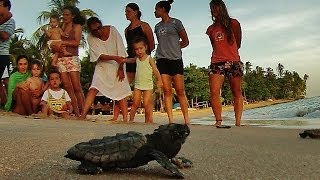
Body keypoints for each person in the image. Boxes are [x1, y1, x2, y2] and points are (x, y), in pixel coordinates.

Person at [79, 17, 131, 121]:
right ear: (90, 31)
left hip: (118, 65)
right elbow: (100, 56)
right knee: (94, 88)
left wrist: (121, 68)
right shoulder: (90, 38)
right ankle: (83, 115)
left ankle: (125, 118)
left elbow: (121, 50)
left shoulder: (113, 30)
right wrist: (115, 58)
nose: (98, 31)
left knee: (120, 91)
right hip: (102, 66)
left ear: (101, 25)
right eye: (94, 30)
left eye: (99, 28)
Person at [206, 0, 243, 127]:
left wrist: (230, 54)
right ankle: (218, 121)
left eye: (215, 8)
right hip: (217, 61)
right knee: (214, 91)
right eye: (211, 8)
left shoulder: (234, 23)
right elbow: (214, 46)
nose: (213, 11)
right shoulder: (211, 29)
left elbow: (238, 42)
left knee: (236, 91)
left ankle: (238, 122)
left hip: (233, 61)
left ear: (222, 8)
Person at [154, 0, 190, 124]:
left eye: (156, 9)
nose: (155, 11)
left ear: (163, 9)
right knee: (167, 91)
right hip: (162, 60)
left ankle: (186, 120)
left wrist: (175, 47)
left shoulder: (176, 23)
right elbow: (161, 43)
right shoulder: (157, 27)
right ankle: (171, 121)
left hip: (176, 60)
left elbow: (185, 41)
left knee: (180, 90)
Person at [51, 6, 85, 117]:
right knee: (67, 85)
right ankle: (76, 112)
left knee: (76, 86)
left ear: (73, 16)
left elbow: (76, 42)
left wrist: (62, 43)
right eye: (63, 14)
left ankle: (83, 112)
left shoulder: (77, 26)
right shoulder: (62, 27)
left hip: (72, 57)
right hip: (61, 58)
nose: (64, 17)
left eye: (67, 15)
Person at [126, 37, 162, 123]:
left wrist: (159, 80)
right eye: (136, 49)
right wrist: (123, 60)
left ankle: (149, 120)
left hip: (148, 85)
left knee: (146, 103)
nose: (139, 51)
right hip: (138, 85)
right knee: (135, 103)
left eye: (141, 48)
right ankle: (131, 120)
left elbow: (155, 70)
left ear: (145, 47)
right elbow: (131, 60)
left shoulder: (149, 58)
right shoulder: (137, 59)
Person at [0, 0, 14, 107]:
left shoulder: (11, 21)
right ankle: (4, 103)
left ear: (6, 7)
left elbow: (5, 36)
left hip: (2, 54)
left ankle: (12, 103)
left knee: (6, 80)